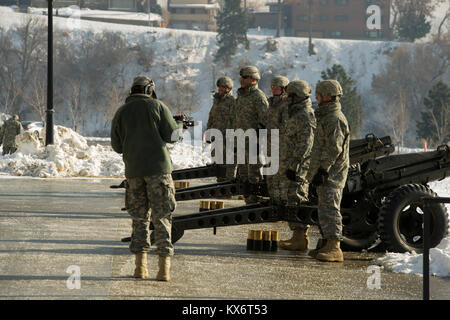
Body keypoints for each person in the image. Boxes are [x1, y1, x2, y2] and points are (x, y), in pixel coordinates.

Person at [111, 76, 182, 281]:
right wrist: (178, 124)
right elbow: (173, 136)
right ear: (150, 89)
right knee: (162, 218)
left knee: (139, 219)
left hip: (133, 172)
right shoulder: (158, 106)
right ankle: (163, 270)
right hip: (158, 171)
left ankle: (140, 268)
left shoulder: (121, 112)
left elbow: (117, 147)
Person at [306, 80, 350, 262]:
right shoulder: (324, 116)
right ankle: (326, 244)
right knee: (323, 209)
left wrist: (323, 170)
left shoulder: (335, 118)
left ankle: (334, 247)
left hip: (332, 174)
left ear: (328, 96)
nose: (316, 97)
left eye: (319, 94)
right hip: (322, 171)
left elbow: (333, 148)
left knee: (330, 209)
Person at [272, 80, 316, 251]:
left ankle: (300, 238)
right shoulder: (295, 113)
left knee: (297, 197)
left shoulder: (305, 115)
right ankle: (296, 236)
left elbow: (306, 144)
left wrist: (295, 165)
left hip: (298, 166)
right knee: (291, 198)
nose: (287, 98)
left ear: (298, 96)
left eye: (290, 95)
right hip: (290, 164)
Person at [234, 66, 269, 204]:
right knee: (243, 175)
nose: (241, 80)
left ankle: (255, 202)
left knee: (254, 175)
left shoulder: (259, 97)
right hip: (241, 141)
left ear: (253, 80)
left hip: (253, 143)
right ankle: (249, 201)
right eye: (242, 77)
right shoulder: (241, 97)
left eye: (245, 78)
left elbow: (265, 121)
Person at [206, 76, 237, 182]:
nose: (219, 90)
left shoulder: (233, 102)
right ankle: (220, 185)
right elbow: (211, 117)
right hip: (216, 138)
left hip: (227, 139)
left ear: (228, 88)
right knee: (217, 163)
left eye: (222, 88)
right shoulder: (217, 101)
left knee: (228, 164)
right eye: (219, 87)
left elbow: (235, 120)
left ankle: (228, 187)